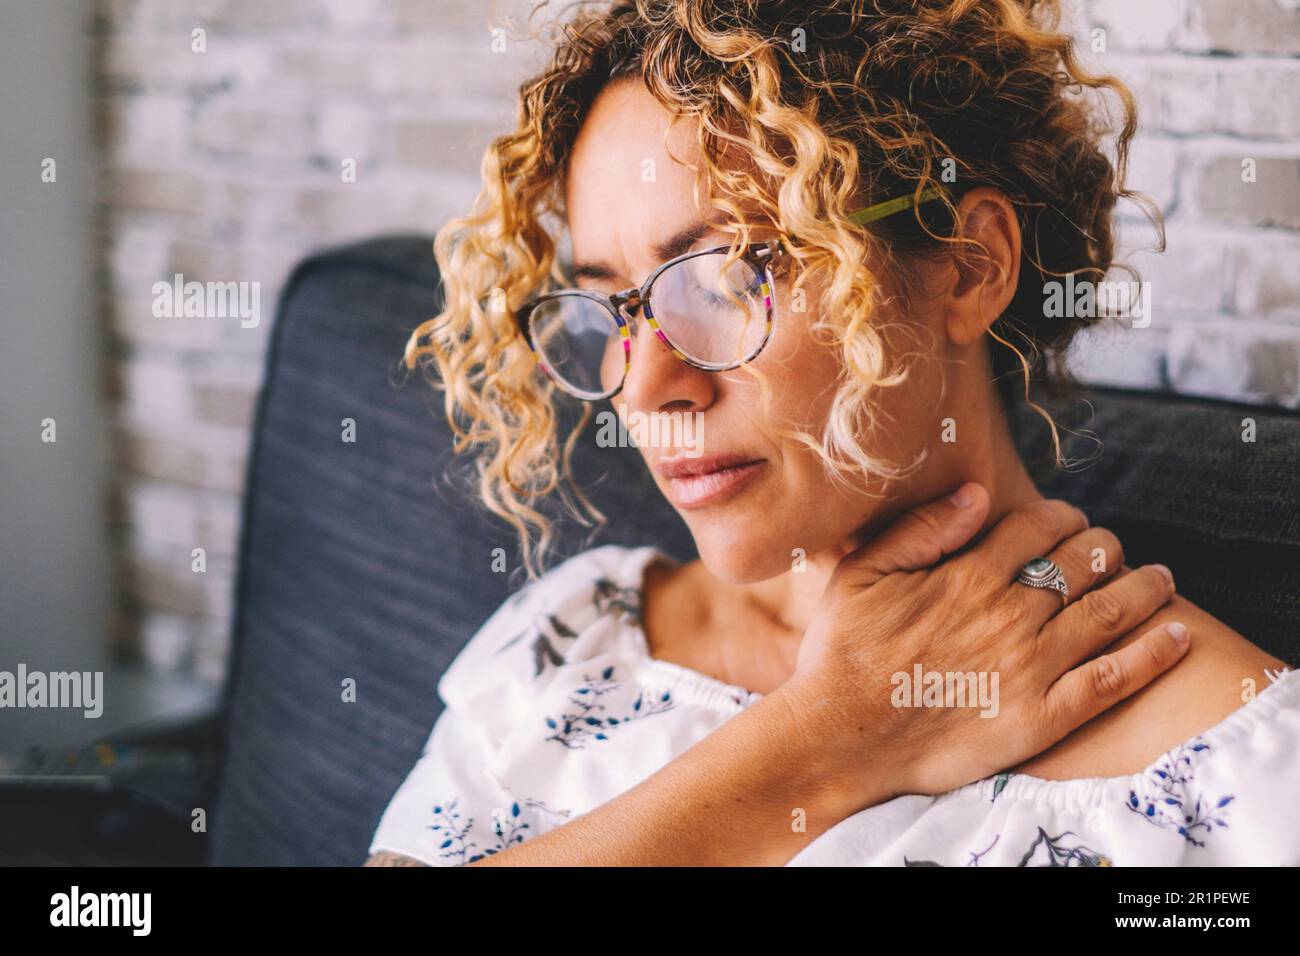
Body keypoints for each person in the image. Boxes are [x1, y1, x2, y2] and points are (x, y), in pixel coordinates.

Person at [365, 0, 1296, 866]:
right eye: (615, 305)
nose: (644, 387)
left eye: (728, 277)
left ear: (970, 268)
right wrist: (819, 743)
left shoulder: (1232, 761)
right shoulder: (569, 642)